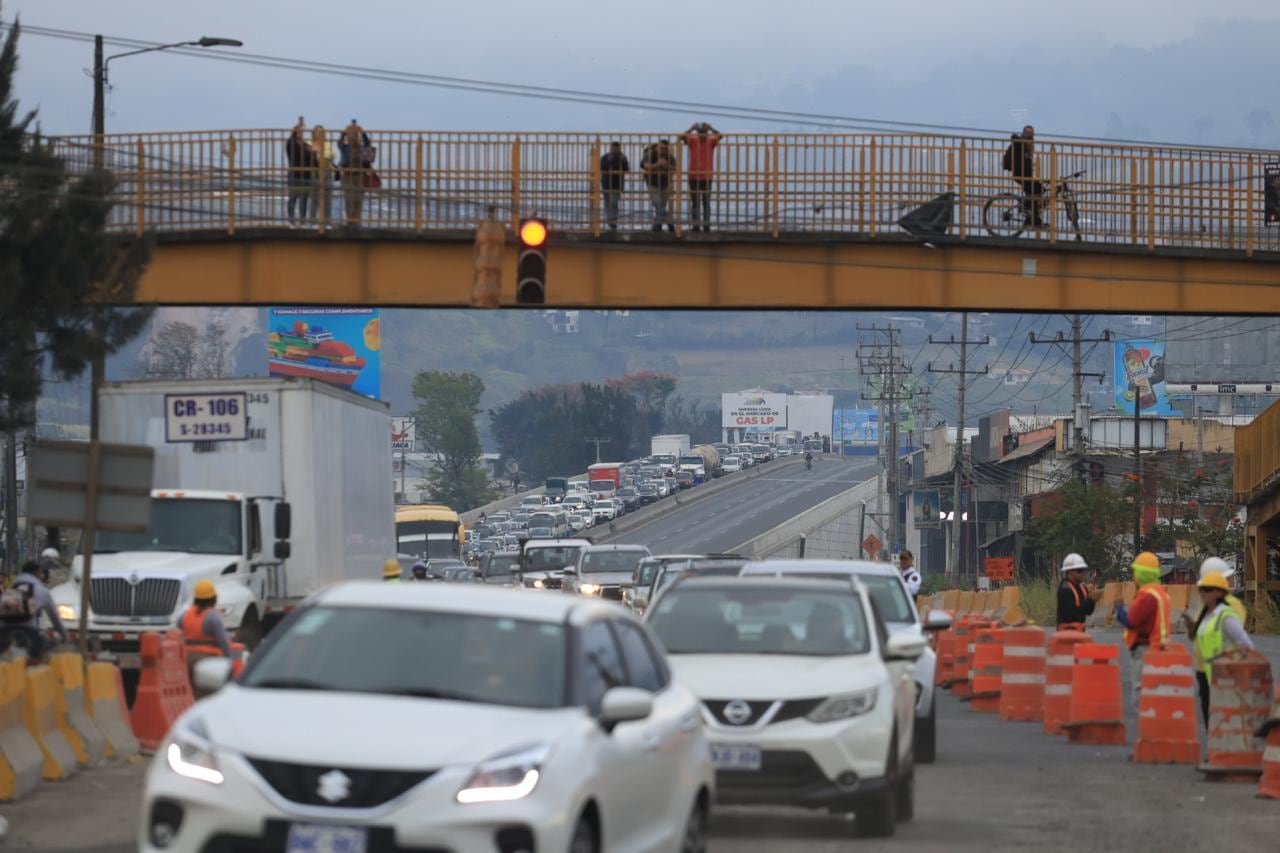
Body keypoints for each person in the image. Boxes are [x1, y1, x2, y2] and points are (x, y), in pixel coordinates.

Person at [1184, 558, 1249, 726]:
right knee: (1209, 713)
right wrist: (1193, 629)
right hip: (1203, 668)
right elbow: (1200, 636)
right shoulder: (1206, 606)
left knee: (1224, 715)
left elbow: (1239, 638)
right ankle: (1216, 749)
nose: (1203, 593)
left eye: (1207, 589)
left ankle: (1224, 750)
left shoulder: (1232, 606)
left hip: (1224, 669)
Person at [1113, 551, 1171, 711]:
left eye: (1136, 572)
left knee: (1141, 692)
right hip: (1158, 647)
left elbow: (1131, 621)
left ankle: (1149, 725)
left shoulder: (1147, 596)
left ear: (1142, 573)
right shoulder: (1160, 593)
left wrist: (1119, 610)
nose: (1133, 576)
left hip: (1144, 648)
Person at [0, 559, 68, 662]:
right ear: (37, 573)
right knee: (43, 656)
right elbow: (56, 620)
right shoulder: (42, 591)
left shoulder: (10, 590)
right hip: (29, 636)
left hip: (3, 634)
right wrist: (65, 637)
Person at [182, 580, 232, 681]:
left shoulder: (185, 615)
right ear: (213, 599)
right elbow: (223, 641)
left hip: (185, 659)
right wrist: (230, 660)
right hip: (207, 660)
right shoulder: (213, 617)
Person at [680, 123, 722, 232]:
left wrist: (712, 128)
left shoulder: (711, 141)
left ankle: (706, 225)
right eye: (700, 132)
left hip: (706, 176)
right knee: (695, 203)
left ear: (707, 133)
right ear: (697, 133)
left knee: (706, 202)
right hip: (694, 175)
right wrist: (691, 129)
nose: (703, 135)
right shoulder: (693, 140)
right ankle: (696, 225)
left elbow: (721, 136)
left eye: (704, 133)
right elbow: (681, 137)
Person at [1002, 125, 1044, 228]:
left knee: (1038, 190)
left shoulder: (1029, 145)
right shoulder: (1019, 143)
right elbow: (1014, 138)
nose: (1029, 135)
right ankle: (1032, 219)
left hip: (1026, 175)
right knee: (1035, 190)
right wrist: (1020, 139)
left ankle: (1030, 215)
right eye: (1027, 133)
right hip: (1020, 174)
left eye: (1031, 133)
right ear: (1023, 133)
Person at [1056, 552, 1103, 628]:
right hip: (1066, 634)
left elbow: (1088, 612)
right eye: (1079, 570)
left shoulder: (1082, 588)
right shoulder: (1065, 589)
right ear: (1070, 571)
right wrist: (1090, 600)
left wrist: (1093, 601)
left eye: (1083, 570)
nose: (1083, 573)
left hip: (1080, 633)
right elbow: (1071, 614)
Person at [339, 119, 372, 225]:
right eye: (351, 135)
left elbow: (367, 143)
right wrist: (344, 132)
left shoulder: (362, 148)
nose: (352, 137)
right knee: (349, 201)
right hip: (347, 177)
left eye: (355, 135)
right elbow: (339, 143)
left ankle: (357, 221)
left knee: (358, 200)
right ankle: (350, 221)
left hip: (360, 177)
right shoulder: (345, 148)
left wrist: (362, 132)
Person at [285, 119, 317, 223]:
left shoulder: (306, 145)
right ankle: (292, 221)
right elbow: (291, 141)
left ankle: (302, 221)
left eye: (303, 131)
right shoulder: (292, 142)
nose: (301, 132)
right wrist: (298, 125)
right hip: (295, 174)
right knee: (293, 199)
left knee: (304, 200)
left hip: (305, 175)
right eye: (299, 131)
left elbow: (313, 160)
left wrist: (314, 152)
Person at [641, 140, 676, 233]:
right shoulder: (650, 154)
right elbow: (645, 165)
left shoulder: (669, 157)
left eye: (665, 149)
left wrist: (666, 166)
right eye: (661, 148)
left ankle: (657, 226)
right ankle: (670, 223)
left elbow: (674, 168)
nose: (663, 150)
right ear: (657, 147)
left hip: (665, 183)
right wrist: (657, 165)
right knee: (658, 203)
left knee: (662, 206)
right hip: (652, 182)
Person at [600, 142, 630, 232]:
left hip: (617, 184)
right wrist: (609, 160)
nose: (615, 150)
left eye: (617, 149)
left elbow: (626, 169)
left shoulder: (623, 157)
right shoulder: (605, 157)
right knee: (607, 203)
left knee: (614, 203)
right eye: (613, 148)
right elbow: (602, 168)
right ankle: (610, 220)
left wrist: (623, 160)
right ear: (610, 148)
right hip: (606, 183)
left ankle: (613, 221)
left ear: (619, 148)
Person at [310, 124, 334, 223]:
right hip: (315, 174)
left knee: (327, 200)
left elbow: (332, 156)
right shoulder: (309, 144)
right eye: (317, 131)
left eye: (322, 132)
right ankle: (312, 222)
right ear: (314, 133)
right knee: (314, 200)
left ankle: (327, 222)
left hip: (328, 173)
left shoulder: (328, 144)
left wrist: (320, 155)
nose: (319, 134)